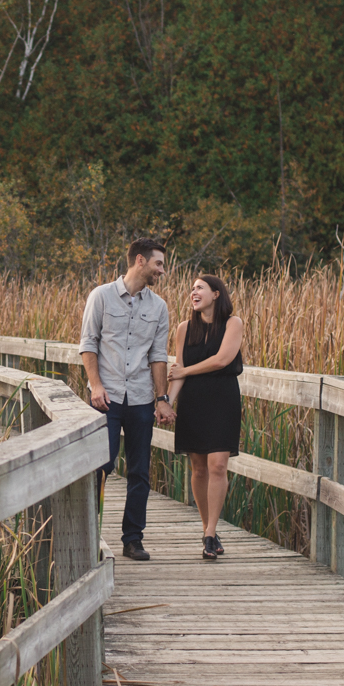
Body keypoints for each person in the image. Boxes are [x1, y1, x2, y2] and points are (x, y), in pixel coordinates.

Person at [79, 238, 175, 561]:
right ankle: (89, 536)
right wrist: (95, 385)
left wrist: (161, 398)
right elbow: (88, 344)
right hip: (105, 398)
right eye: (158, 264)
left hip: (139, 399)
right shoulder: (101, 296)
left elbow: (158, 356)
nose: (162, 270)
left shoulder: (158, 307)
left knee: (140, 471)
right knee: (101, 467)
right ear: (139, 261)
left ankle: (133, 538)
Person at [167, 275, 244, 561]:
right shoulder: (184, 329)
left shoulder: (232, 323)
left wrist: (184, 371)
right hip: (194, 401)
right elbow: (177, 371)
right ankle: (206, 529)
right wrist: (166, 401)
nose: (193, 292)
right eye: (192, 289)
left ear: (215, 293)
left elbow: (222, 360)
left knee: (218, 465)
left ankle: (211, 532)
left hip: (223, 399)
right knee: (198, 468)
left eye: (200, 288)